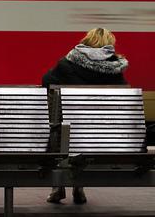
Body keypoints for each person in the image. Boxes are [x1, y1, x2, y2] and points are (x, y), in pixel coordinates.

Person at [42, 27, 128, 205]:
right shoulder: (115, 68)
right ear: (109, 45)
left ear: (86, 41)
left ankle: (58, 187)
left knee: (59, 130)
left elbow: (46, 80)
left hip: (71, 129)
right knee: (83, 134)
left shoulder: (67, 63)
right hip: (102, 132)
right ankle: (78, 186)